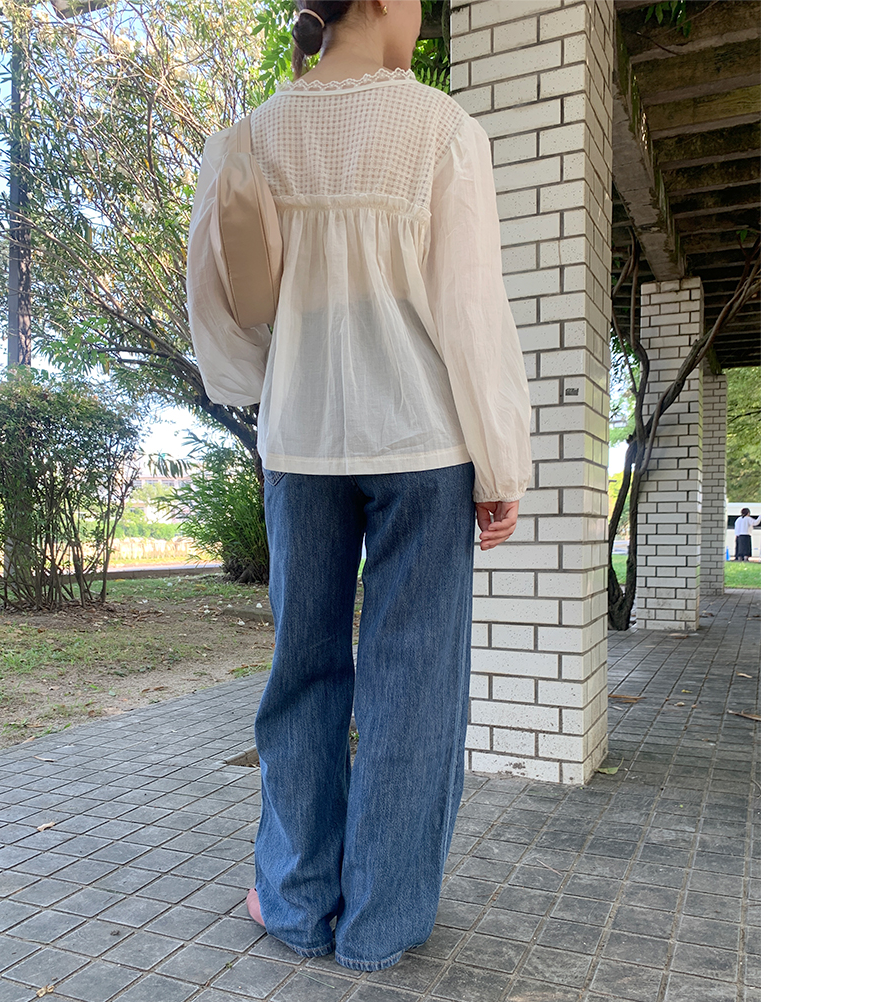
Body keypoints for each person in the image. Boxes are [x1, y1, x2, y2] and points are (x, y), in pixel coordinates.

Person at [186, 0, 531, 973]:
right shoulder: (441, 131)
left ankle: (296, 904)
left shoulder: (250, 139)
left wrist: (272, 391)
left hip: (301, 446)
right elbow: (471, 310)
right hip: (423, 444)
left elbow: (218, 308)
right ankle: (381, 921)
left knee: (302, 672)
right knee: (413, 686)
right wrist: (499, 458)